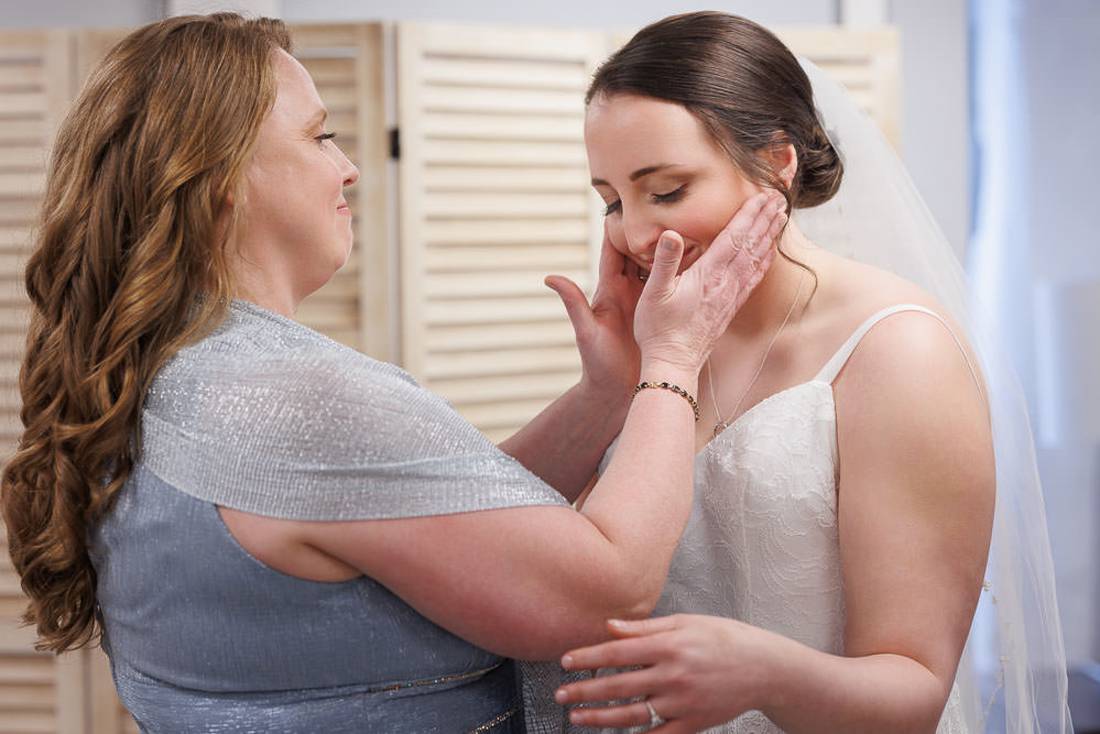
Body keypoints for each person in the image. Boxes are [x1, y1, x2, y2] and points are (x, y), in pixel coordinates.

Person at [0, 13, 788, 734]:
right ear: (220, 177)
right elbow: (607, 592)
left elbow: (441, 528)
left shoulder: (162, 375)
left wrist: (606, 397)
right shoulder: (291, 399)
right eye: (320, 135)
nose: (346, 167)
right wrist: (673, 361)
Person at [548, 11, 1071, 734]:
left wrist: (762, 671)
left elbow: (915, 686)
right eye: (611, 201)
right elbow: (549, 559)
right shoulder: (660, 339)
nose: (636, 235)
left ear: (777, 163)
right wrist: (608, 391)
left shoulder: (897, 351)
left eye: (665, 191)